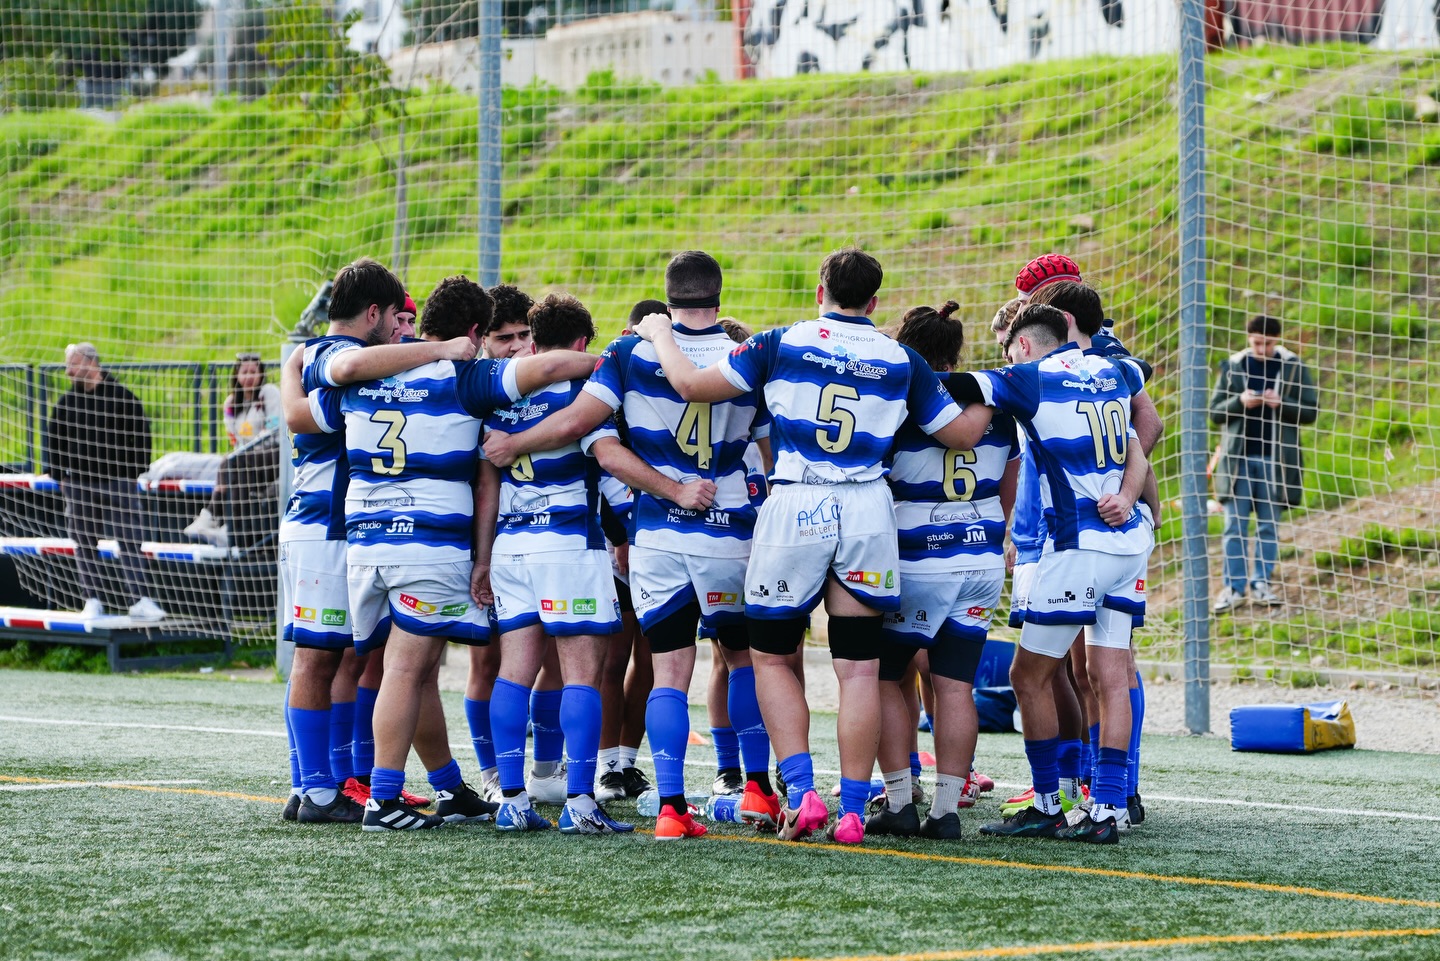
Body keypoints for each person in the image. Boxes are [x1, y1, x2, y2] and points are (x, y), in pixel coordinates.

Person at [629, 246, 979, 846]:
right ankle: (853, 810)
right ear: (874, 301)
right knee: (860, 671)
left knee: (769, 656)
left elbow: (689, 385)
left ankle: (804, 792)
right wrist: (998, 386)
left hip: (797, 503)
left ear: (821, 290)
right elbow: (961, 431)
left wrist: (661, 330)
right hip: (868, 509)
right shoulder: (901, 358)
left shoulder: (780, 341)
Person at [484, 253, 774, 843]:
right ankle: (756, 790)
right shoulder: (751, 354)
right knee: (743, 661)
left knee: (663, 671)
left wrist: (510, 446)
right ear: (720, 295)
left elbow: (593, 437)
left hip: (645, 537)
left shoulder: (627, 355)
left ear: (666, 301)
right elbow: (768, 454)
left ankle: (666, 809)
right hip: (726, 535)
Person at [293, 272, 598, 831]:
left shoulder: (366, 369)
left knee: (416, 669)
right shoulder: (468, 376)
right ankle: (383, 798)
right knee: (406, 671)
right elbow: (552, 366)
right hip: (428, 548)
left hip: (364, 543)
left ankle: (447, 787)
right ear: (477, 331)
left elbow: (304, 406)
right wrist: (612, 364)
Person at [276, 259, 483, 825]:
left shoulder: (312, 358)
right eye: (396, 318)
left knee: (366, 661)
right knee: (326, 659)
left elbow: (297, 411)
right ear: (373, 313)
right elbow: (325, 388)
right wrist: (441, 351)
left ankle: (329, 782)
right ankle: (320, 786)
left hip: (330, 525)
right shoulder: (334, 359)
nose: (402, 330)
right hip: (330, 525)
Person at [944, 303, 1151, 844]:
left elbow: (957, 383)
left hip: (1076, 546)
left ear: (1028, 346)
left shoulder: (1028, 378)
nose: (1007, 358)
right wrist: (1129, 494)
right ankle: (1108, 807)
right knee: (1111, 678)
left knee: (1027, 676)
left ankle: (1048, 802)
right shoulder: (1115, 368)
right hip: (1128, 540)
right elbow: (1140, 399)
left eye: (1011, 348)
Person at [870, 300, 1020, 841]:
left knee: (890, 677)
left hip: (918, 560)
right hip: (981, 557)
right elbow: (1010, 488)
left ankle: (899, 800)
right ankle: (946, 810)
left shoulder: (896, 403)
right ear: (955, 355)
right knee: (954, 685)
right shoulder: (993, 408)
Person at [42, 342, 165, 622]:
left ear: (90, 363)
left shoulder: (121, 396)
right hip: (80, 485)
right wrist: (60, 476)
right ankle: (92, 600)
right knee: (84, 542)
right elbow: (53, 441)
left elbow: (141, 433)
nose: (68, 370)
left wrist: (133, 471)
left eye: (72, 363)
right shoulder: (66, 402)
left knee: (130, 541)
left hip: (119, 483)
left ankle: (139, 600)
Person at [1209, 314, 1317, 613]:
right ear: (1249, 338)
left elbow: (1311, 412)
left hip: (1276, 462)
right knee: (1234, 526)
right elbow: (1215, 412)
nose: (1263, 348)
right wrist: (1240, 402)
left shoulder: (1294, 365)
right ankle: (1232, 588)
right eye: (1257, 342)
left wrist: (1281, 404)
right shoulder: (1233, 366)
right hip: (1237, 462)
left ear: (1278, 340)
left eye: (1269, 343)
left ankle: (1261, 585)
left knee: (1269, 526)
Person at [185, 352, 284, 548]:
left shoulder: (269, 393)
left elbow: (273, 431)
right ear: (236, 375)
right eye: (244, 372)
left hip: (274, 453)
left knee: (232, 462)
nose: (249, 377)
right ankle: (231, 532)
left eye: (253, 372)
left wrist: (245, 451)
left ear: (261, 374)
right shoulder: (231, 404)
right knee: (236, 470)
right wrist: (242, 452)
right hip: (245, 459)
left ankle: (212, 516)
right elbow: (234, 438)